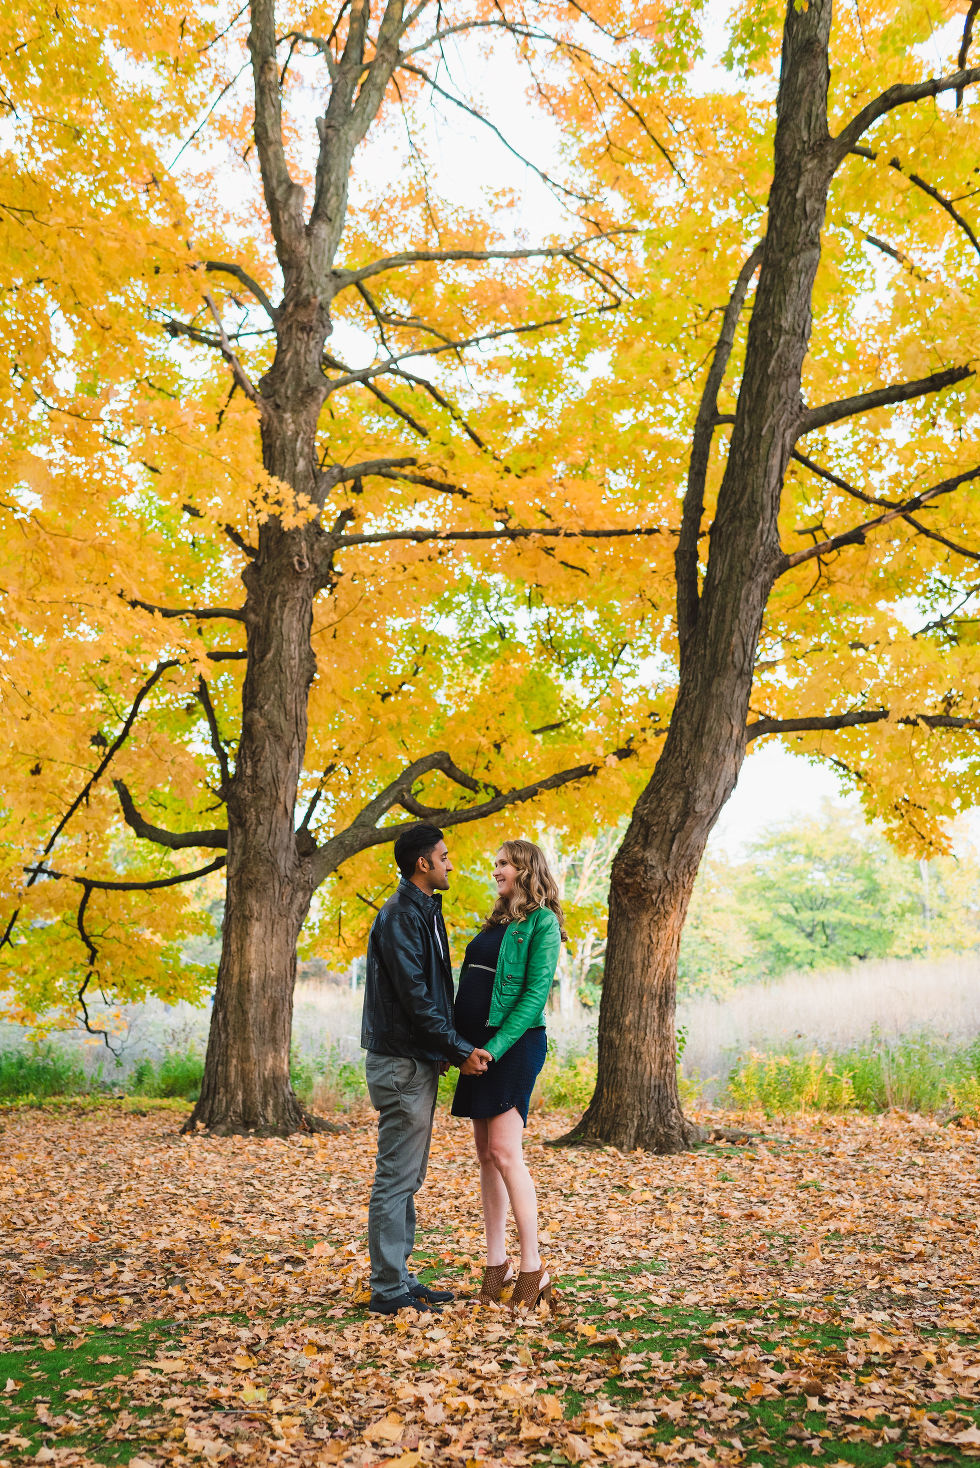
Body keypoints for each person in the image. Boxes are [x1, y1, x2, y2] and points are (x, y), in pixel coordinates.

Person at [361, 823, 492, 1316]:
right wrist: (460, 1050)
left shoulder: (423, 913)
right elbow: (417, 998)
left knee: (407, 1176)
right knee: (396, 1176)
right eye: (444, 855)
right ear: (424, 863)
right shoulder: (399, 916)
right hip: (400, 1063)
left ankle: (398, 1276)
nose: (450, 863)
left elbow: (431, 994)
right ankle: (387, 1288)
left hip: (415, 1061)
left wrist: (449, 1048)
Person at [451, 838, 565, 1314]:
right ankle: (495, 1264)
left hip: (511, 1046)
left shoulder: (543, 923)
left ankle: (533, 1266)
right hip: (475, 1048)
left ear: (525, 869)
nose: (495, 870)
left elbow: (532, 1000)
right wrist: (455, 1048)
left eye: (503, 863)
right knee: (485, 1155)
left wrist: (491, 1051)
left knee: (504, 1151)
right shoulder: (497, 920)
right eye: (495, 862)